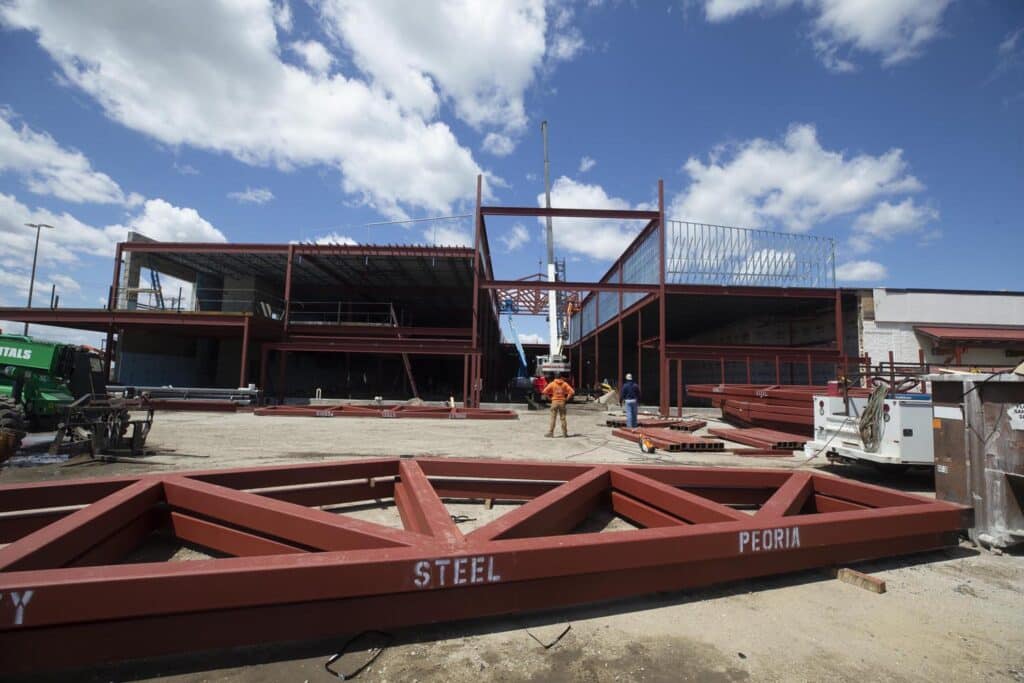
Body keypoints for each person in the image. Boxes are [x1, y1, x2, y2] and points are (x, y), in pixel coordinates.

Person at [542, 372, 575, 437]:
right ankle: (564, 433)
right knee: (563, 418)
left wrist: (550, 398)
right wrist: (567, 398)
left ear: (555, 377)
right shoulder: (565, 384)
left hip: (554, 402)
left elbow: (544, 391)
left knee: (553, 418)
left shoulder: (552, 384)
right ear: (561, 377)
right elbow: (572, 392)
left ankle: (551, 433)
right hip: (562, 402)